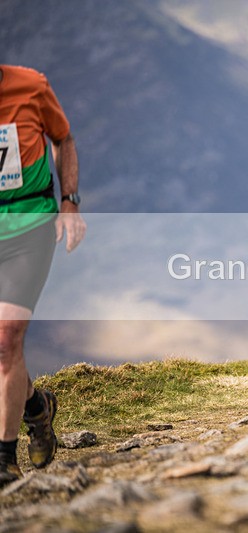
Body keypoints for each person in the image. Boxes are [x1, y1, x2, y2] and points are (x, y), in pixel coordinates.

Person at [0, 65, 86, 487]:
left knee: (6, 339)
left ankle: (3, 459)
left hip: (30, 227)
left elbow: (63, 137)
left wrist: (69, 202)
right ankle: (36, 407)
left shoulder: (31, 86)